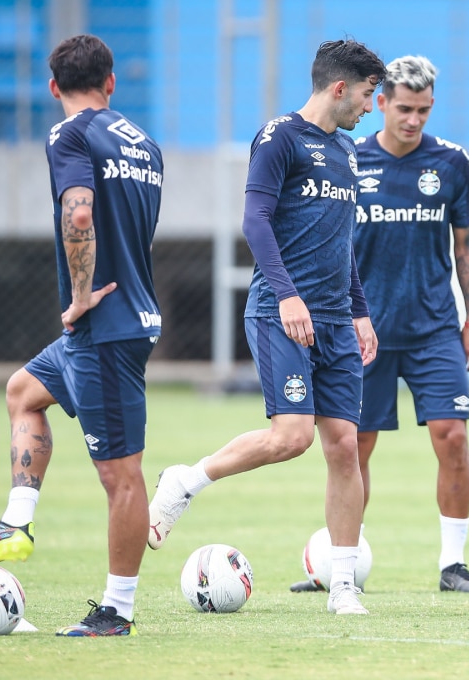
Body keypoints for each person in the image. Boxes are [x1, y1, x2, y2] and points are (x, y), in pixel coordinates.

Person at [145, 39, 386, 616]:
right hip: (284, 313)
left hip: (335, 319)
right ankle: (186, 480)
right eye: (369, 94)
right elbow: (255, 221)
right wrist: (288, 296)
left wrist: (358, 311)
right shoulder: (279, 137)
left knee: (345, 449)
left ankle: (344, 586)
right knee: (291, 438)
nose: (371, 108)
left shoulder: (347, 152)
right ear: (339, 88)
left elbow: (341, 242)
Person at [0, 34, 164, 637]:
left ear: (53, 88)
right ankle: (16, 526)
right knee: (23, 391)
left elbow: (79, 211)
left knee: (121, 474)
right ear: (111, 81)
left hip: (105, 326)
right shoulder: (145, 144)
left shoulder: (69, 135)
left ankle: (116, 610)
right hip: (126, 316)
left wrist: (78, 296)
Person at [288, 55, 469, 594]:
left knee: (453, 438)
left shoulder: (450, 162)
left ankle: (453, 563)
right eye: (404, 108)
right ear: (380, 102)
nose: (414, 120)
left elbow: (466, 242)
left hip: (434, 330)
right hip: (362, 330)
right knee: (353, 448)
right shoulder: (348, 157)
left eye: (424, 110)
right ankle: (338, 565)